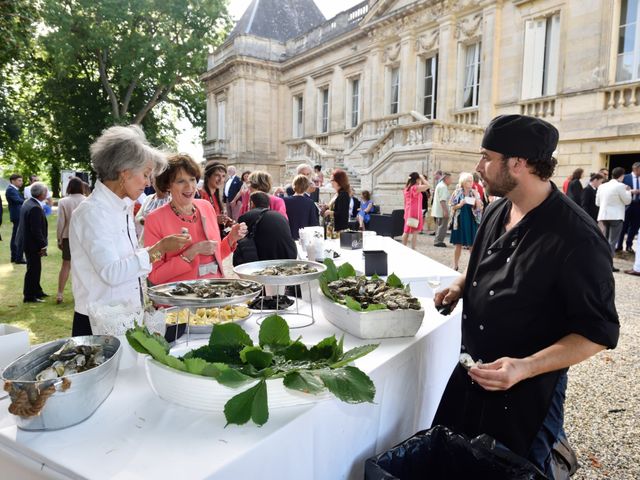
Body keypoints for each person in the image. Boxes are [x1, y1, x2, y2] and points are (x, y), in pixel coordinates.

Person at [433, 114, 619, 478]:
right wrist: (460, 284)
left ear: (518, 163)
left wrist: (525, 367)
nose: (478, 166)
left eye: (487, 156)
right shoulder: (497, 208)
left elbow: (598, 333)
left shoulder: (577, 238)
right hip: (470, 374)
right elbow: (481, 262)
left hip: (527, 397)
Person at [69, 125, 191, 336]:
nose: (147, 182)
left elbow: (129, 264)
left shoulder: (121, 207)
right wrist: (158, 249)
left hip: (124, 318)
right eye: (145, 175)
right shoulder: (93, 213)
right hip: (98, 324)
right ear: (124, 174)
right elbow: (112, 273)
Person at [144, 154, 247, 285]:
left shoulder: (206, 207)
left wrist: (231, 238)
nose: (189, 187)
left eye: (192, 180)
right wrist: (191, 253)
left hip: (214, 294)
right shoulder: (155, 219)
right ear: (168, 185)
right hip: (181, 300)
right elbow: (155, 276)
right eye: (181, 181)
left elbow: (214, 255)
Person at [236, 192, 297, 262]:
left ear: (252, 203)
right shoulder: (280, 216)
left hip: (265, 259)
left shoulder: (247, 216)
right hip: (289, 255)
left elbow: (239, 237)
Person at [55, 177, 86, 304]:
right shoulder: (86, 200)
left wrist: (59, 238)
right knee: (82, 266)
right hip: (84, 237)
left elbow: (61, 222)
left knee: (65, 265)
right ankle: (81, 295)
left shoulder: (63, 201)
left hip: (68, 236)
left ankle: (60, 294)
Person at [18, 182, 49, 303]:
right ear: (41, 194)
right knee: (33, 269)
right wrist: (43, 245)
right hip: (32, 244)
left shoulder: (29, 202)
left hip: (28, 242)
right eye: (46, 192)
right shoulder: (35, 207)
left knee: (35, 268)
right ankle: (29, 296)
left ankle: (37, 291)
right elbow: (36, 230)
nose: (47, 194)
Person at [596, 166, 632, 271]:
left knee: (604, 241)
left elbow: (597, 203)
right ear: (621, 176)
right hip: (616, 216)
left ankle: (601, 263)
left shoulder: (602, 186)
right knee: (612, 241)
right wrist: (628, 191)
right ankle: (608, 265)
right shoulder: (621, 186)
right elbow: (627, 201)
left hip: (603, 215)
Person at [449, 172, 483, 271]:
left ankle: (474, 266)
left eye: (471, 180)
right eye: (468, 180)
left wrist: (477, 198)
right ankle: (455, 265)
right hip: (459, 221)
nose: (471, 182)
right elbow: (451, 206)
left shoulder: (474, 192)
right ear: (463, 182)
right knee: (458, 244)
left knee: (472, 245)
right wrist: (460, 204)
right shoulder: (457, 192)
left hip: (471, 221)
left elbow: (480, 208)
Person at [199, 162, 234, 232]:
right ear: (208, 176)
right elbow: (194, 220)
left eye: (223, 176)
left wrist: (226, 222)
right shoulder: (199, 195)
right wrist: (215, 219)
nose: (221, 179)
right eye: (217, 175)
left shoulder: (215, 196)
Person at [283, 175, 319, 240]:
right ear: (306, 187)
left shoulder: (284, 201)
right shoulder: (310, 202)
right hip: (304, 237)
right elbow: (313, 222)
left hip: (288, 236)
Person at [616, 162, 640, 253]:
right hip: (626, 205)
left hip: (638, 206)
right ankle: (619, 246)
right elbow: (619, 189)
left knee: (634, 226)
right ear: (636, 169)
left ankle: (629, 246)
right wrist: (630, 191)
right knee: (623, 226)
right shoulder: (625, 177)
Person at [402, 172, 429, 249]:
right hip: (415, 211)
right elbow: (428, 186)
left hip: (408, 210)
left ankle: (403, 247)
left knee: (406, 230)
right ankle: (413, 248)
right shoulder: (415, 188)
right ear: (417, 179)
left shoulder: (407, 188)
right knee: (414, 231)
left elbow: (405, 201)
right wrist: (423, 178)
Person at [6, 173, 26, 263]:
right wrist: (28, 201)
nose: (21, 182)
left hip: (18, 215)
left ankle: (15, 257)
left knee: (17, 236)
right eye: (19, 180)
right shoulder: (10, 190)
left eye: (21, 180)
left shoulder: (15, 190)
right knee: (17, 237)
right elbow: (18, 200)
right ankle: (17, 257)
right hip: (17, 216)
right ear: (12, 181)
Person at [431, 172, 452, 247]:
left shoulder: (440, 185)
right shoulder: (443, 187)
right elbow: (442, 200)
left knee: (439, 226)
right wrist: (445, 211)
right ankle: (438, 241)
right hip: (441, 210)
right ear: (446, 179)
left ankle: (437, 240)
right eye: (450, 179)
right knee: (442, 226)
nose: (451, 181)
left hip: (438, 210)